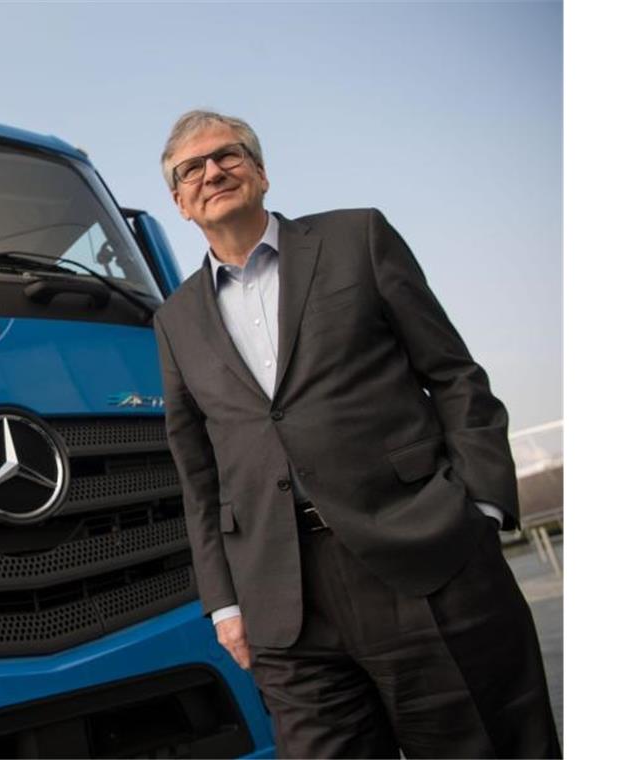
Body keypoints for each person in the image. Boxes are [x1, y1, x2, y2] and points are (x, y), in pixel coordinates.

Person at [152, 110, 560, 758]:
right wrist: (224, 602)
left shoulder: (357, 239)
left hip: (423, 559)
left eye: (227, 155)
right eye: (191, 168)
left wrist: (477, 510)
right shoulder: (174, 321)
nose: (212, 172)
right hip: (284, 605)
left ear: (259, 170)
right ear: (178, 201)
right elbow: (197, 470)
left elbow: (454, 375)